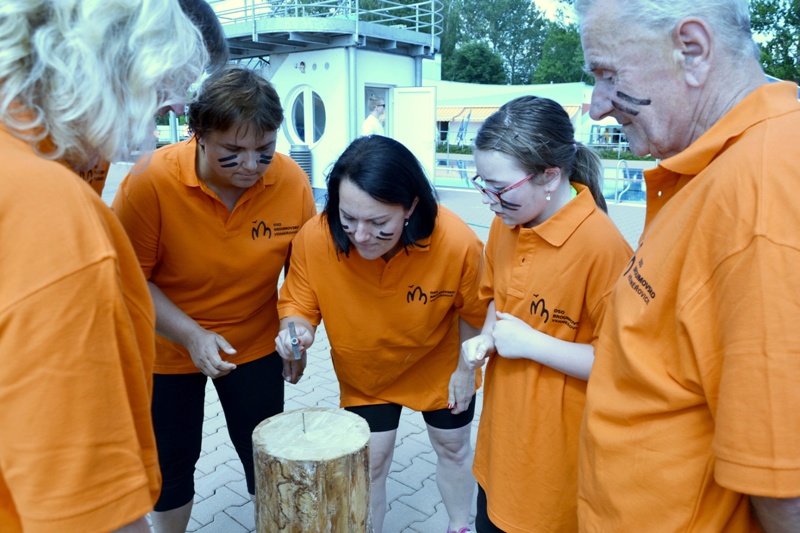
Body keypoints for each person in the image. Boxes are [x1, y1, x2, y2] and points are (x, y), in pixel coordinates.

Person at [575, 1, 800, 531]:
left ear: (693, 51)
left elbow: (785, 492)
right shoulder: (718, 164)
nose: (598, 107)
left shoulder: (762, 194)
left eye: (608, 75)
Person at [0, 1, 206, 532]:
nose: (172, 108)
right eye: (160, 91)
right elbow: (84, 513)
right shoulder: (48, 208)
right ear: (109, 63)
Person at [112, 65, 316, 533]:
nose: (250, 166)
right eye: (232, 153)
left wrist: (295, 326)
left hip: (254, 344)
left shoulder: (290, 181)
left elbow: (304, 271)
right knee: (171, 464)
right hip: (166, 348)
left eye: (264, 151)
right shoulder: (150, 181)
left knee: (267, 458)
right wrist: (191, 335)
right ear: (199, 135)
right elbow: (129, 280)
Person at [275, 135, 486, 533]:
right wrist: (294, 335)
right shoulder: (315, 238)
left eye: (378, 223)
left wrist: (465, 370)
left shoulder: (456, 241)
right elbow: (297, 307)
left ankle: (460, 525)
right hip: (366, 372)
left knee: (454, 447)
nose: (361, 235)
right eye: (348, 218)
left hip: (440, 365)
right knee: (371, 463)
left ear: (411, 207)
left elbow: (475, 312)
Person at [460, 96, 632, 532]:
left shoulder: (603, 247)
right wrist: (487, 336)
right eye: (482, 183)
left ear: (550, 176)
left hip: (554, 466)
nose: (490, 200)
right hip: (500, 450)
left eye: (500, 188)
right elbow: (498, 298)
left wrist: (532, 344)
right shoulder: (505, 224)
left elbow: (622, 363)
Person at [74, 0, 229, 198]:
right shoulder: (37, 138)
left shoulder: (94, 138)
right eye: (171, 80)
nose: (179, 108)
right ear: (124, 53)